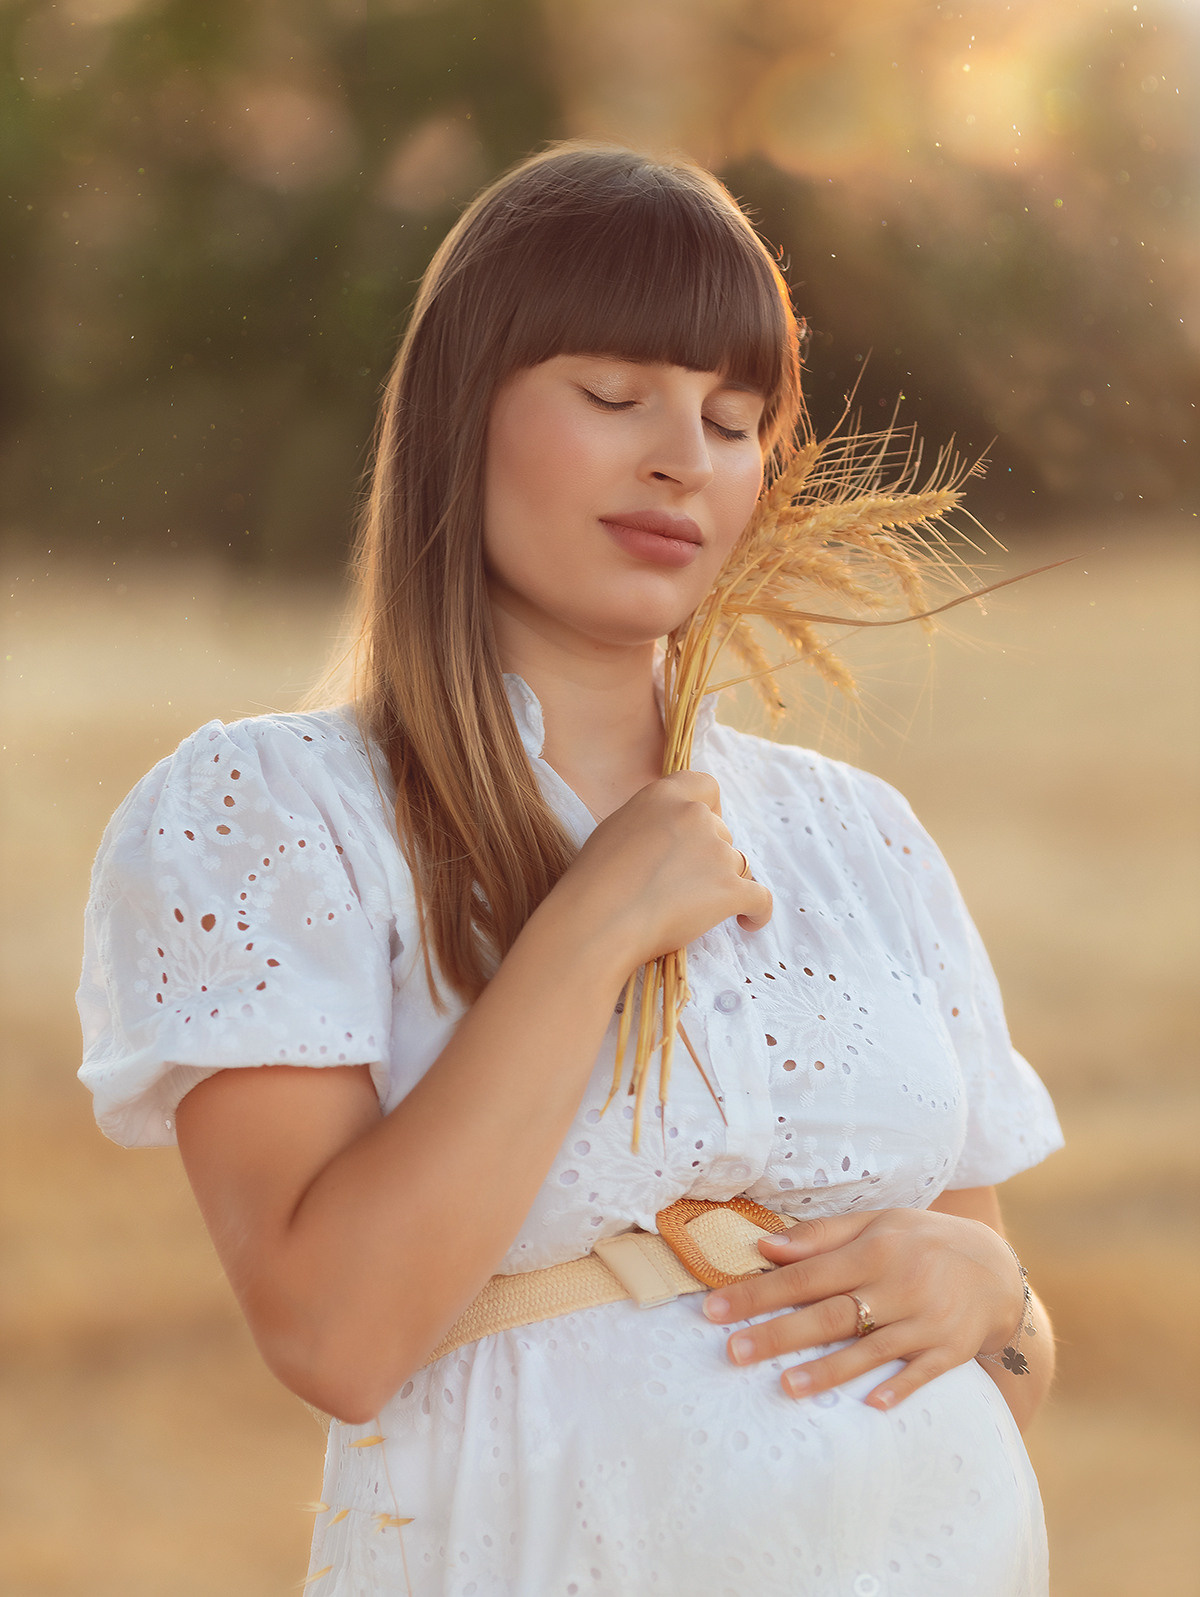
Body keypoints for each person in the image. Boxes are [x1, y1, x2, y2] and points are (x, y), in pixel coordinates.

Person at [77, 143, 1064, 1597]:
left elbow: (1004, 1361)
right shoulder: (277, 811)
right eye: (613, 396)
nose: (683, 459)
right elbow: (337, 1334)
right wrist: (592, 923)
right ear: (459, 409)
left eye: (733, 422)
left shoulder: (861, 838)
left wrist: (998, 1296)